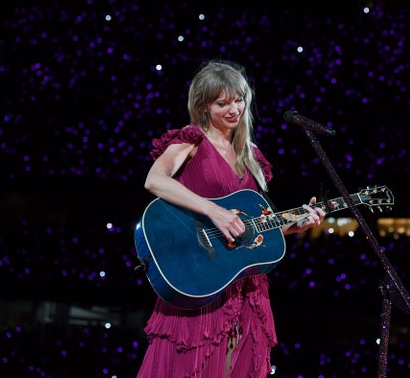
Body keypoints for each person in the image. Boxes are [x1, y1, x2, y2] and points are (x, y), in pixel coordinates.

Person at [136, 59, 326, 378]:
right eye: (222, 103)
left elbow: (254, 226)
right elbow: (155, 180)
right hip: (200, 277)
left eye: (238, 100)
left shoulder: (249, 154)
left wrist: (297, 225)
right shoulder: (191, 140)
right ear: (203, 106)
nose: (233, 109)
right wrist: (213, 210)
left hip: (245, 286)